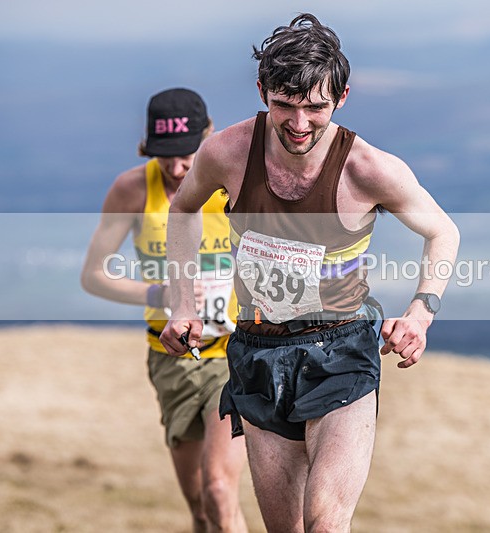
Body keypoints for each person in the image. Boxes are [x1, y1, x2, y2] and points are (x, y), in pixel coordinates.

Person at [159, 14, 460, 533]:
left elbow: (443, 232)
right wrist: (183, 305)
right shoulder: (227, 153)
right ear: (263, 92)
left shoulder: (369, 169)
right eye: (285, 105)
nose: (300, 123)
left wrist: (420, 314)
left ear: (341, 98)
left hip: (341, 350)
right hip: (258, 351)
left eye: (316, 107)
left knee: (324, 524)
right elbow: (183, 210)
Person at [81, 88, 247, 533]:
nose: (176, 169)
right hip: (171, 357)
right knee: (201, 508)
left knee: (219, 490)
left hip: (233, 353)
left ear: (208, 137)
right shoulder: (132, 189)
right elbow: (93, 275)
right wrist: (161, 295)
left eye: (187, 155)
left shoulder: (233, 183)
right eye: (165, 157)